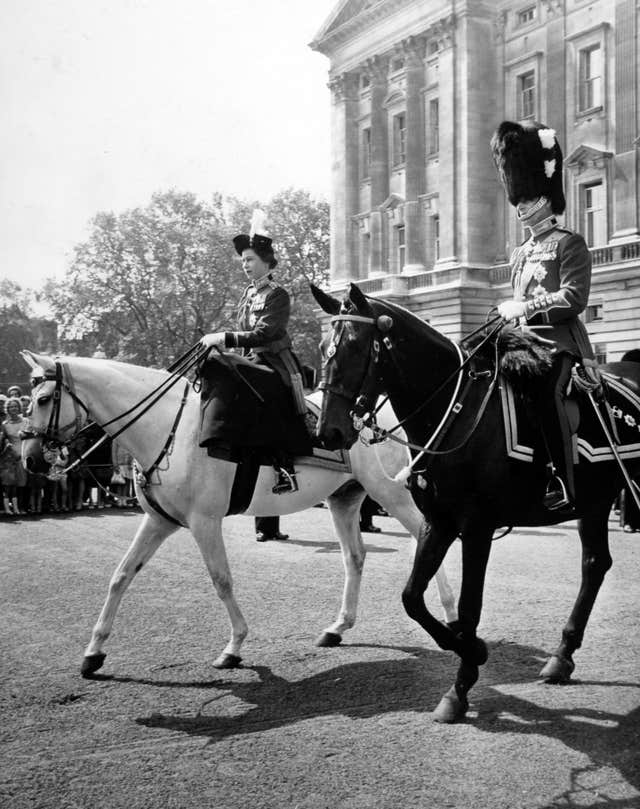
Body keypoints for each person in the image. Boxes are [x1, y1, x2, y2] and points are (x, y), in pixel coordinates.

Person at [491, 121, 595, 511]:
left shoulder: (570, 243)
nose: (520, 205)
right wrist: (505, 314)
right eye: (518, 198)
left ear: (545, 197)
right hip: (521, 342)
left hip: (558, 345)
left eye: (527, 197)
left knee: (545, 390)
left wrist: (528, 307)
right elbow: (516, 300)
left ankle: (561, 479)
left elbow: (574, 297)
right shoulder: (520, 253)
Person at [1, 398, 28, 515]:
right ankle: (11, 508)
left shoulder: (26, 421)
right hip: (11, 457)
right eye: (11, 407)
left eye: (16, 406)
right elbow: (5, 440)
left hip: (26, 453)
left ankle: (22, 507)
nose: (14, 409)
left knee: (23, 483)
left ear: (19, 408)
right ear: (7, 409)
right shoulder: (5, 425)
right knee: (11, 483)